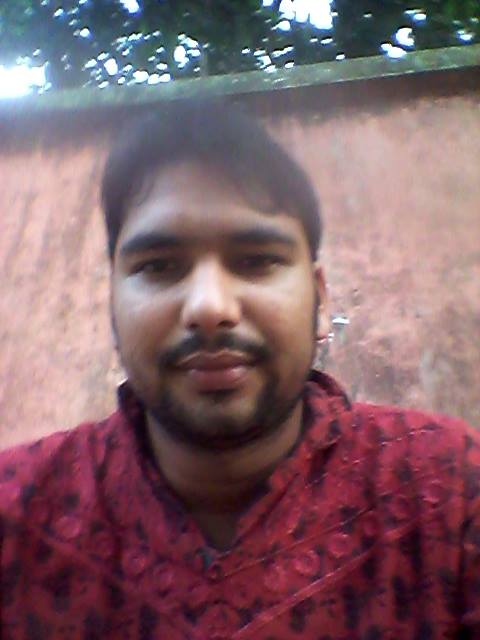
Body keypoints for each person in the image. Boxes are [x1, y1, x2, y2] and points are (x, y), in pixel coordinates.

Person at [0, 100, 479, 640]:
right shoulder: (16, 513)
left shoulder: (450, 489)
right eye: (159, 267)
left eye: (256, 261)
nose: (209, 306)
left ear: (319, 299)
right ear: (112, 301)